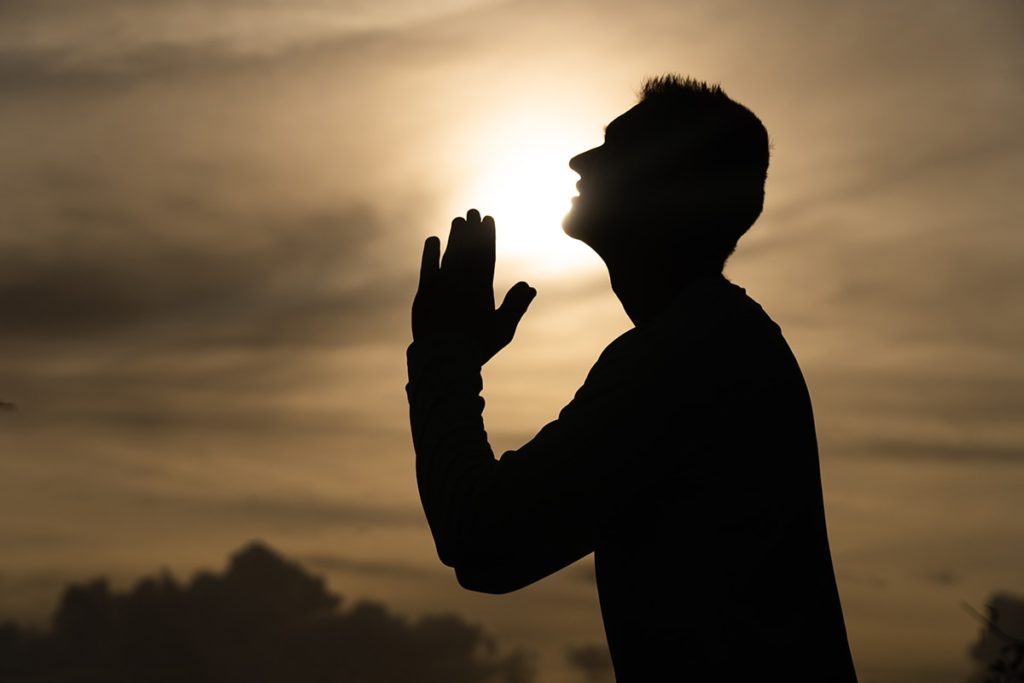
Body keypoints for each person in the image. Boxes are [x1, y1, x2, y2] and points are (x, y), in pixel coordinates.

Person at [406, 74, 858, 681]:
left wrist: (444, 356)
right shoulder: (712, 341)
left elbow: (482, 541)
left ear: (670, 187)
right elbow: (485, 552)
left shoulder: (691, 355)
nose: (579, 159)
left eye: (615, 147)